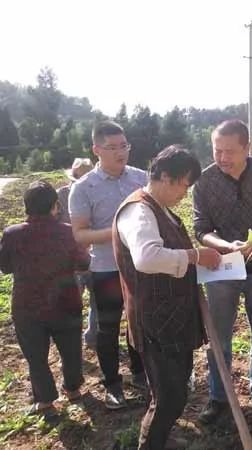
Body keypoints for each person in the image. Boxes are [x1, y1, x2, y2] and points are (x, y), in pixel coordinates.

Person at [114, 146, 221, 450]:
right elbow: (146, 258)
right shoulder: (139, 211)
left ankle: (161, 438)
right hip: (155, 320)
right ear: (165, 176)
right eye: (184, 185)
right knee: (167, 398)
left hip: (171, 318)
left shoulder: (158, 208)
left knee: (176, 391)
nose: (185, 193)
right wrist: (194, 255)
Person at [192, 119, 252, 422]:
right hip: (222, 269)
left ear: (247, 147)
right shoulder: (204, 181)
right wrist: (224, 245)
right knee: (218, 337)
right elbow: (201, 228)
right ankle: (218, 397)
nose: (222, 157)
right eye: (217, 150)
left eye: (229, 151)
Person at [69, 121, 147, 410]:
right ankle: (112, 384)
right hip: (105, 269)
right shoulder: (83, 187)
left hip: (140, 265)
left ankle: (140, 374)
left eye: (124, 146)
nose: (120, 152)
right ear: (96, 150)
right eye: (112, 147)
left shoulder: (141, 179)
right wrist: (119, 230)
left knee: (139, 321)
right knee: (108, 327)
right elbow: (80, 234)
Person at [0, 181, 90, 415]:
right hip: (65, 302)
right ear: (55, 206)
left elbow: (5, 267)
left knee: (35, 355)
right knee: (71, 350)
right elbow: (83, 263)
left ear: (26, 207)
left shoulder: (12, 234)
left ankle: (46, 401)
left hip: (28, 306)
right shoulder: (67, 231)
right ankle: (73, 390)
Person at [57, 158, 97, 348]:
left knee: (96, 302)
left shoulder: (63, 195)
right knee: (74, 302)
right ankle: (77, 340)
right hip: (73, 259)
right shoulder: (60, 196)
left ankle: (90, 336)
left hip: (92, 257)